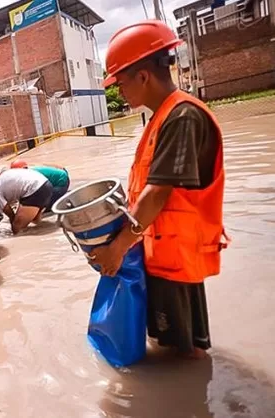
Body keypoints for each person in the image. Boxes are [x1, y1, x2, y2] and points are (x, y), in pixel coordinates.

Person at [89, 20, 228, 359]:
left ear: (143, 76)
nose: (118, 92)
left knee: (185, 354)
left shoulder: (182, 117)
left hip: (177, 257)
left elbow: (157, 194)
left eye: (120, 83)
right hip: (161, 252)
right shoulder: (161, 118)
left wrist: (119, 247)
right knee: (169, 344)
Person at [0, 166, 53, 234]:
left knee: (17, 227)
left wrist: (14, 222)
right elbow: (13, 203)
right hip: (44, 183)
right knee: (35, 221)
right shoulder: (2, 181)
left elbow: (8, 211)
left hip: (35, 189)